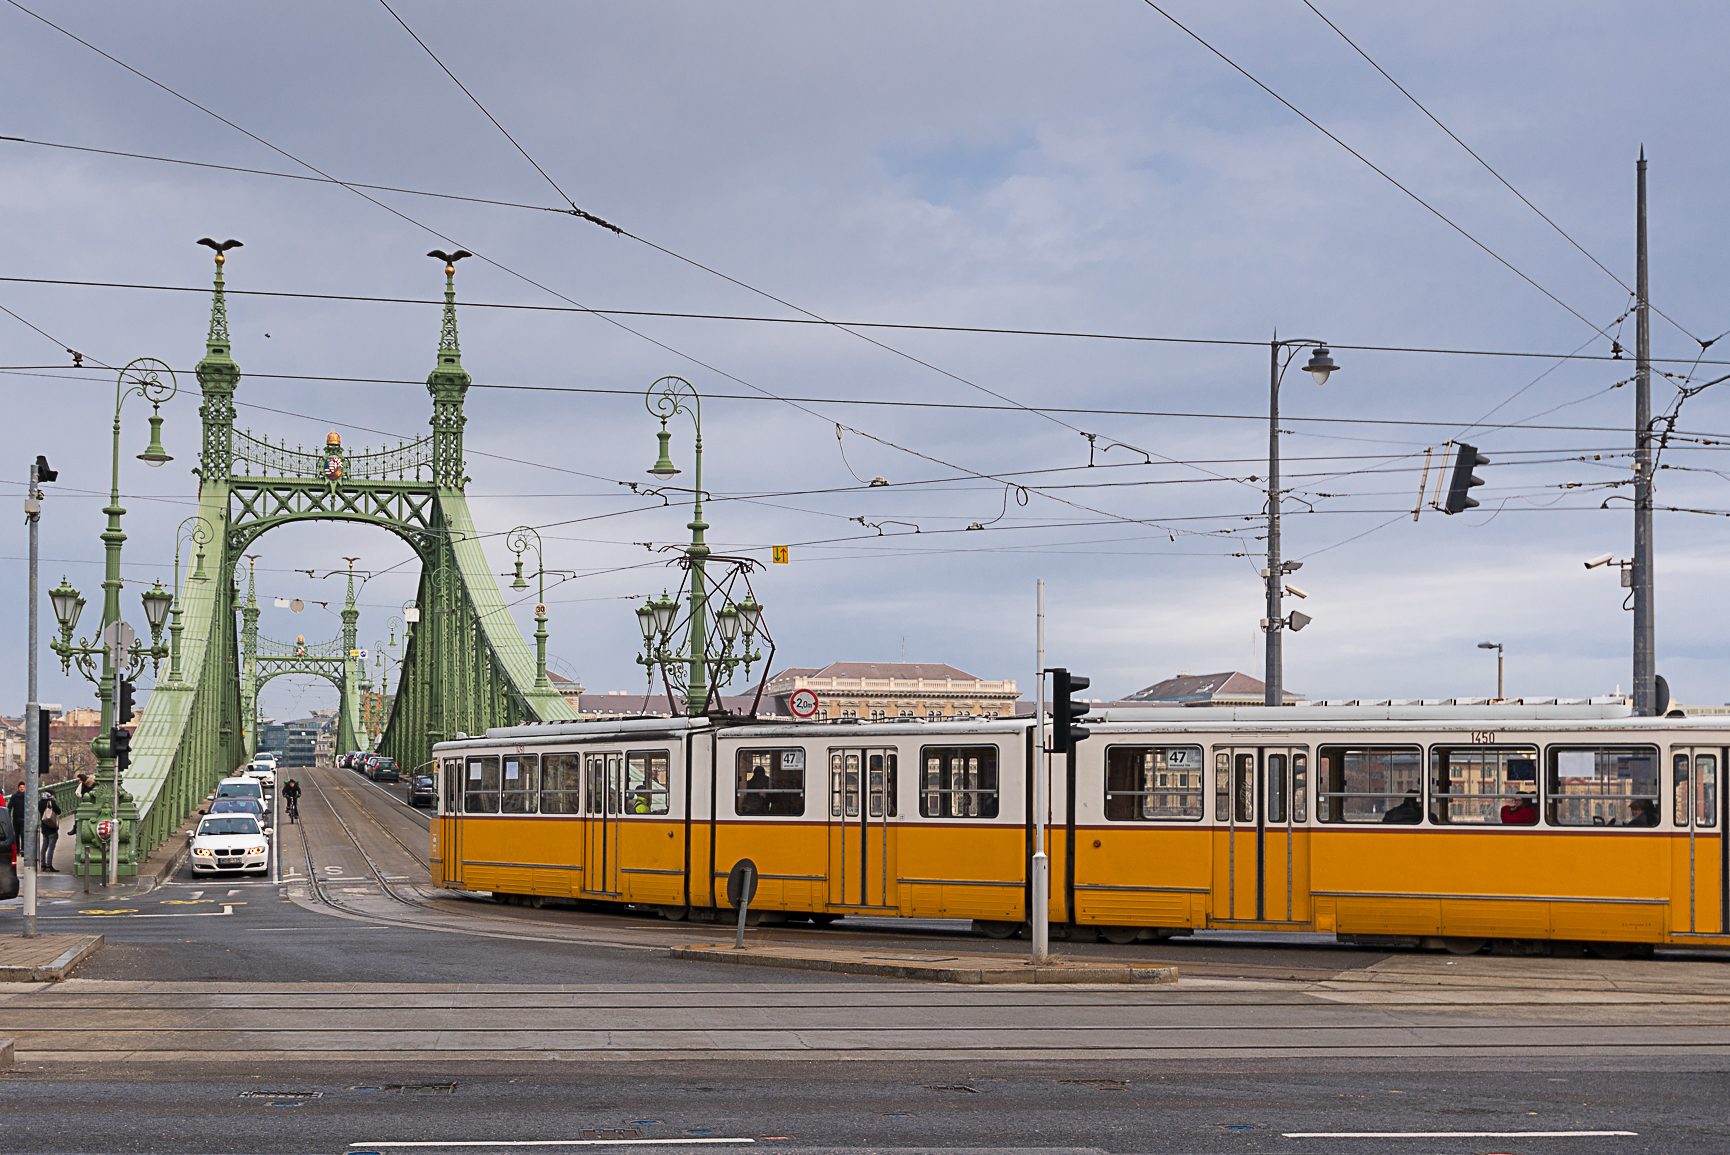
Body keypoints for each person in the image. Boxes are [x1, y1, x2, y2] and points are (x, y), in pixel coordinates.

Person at [38, 789, 60, 871]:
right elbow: (59, 811)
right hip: (51, 827)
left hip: (44, 827)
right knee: (51, 847)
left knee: (44, 846)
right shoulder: (51, 802)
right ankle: (49, 865)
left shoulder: (40, 803)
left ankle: (42, 864)